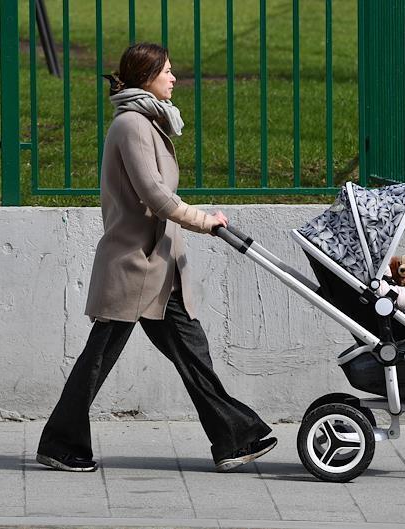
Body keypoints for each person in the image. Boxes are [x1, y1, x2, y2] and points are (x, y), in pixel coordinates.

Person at [37, 42, 276, 473]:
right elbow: (155, 197)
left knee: (192, 353)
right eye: (166, 70)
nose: (173, 78)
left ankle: (235, 437)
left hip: (160, 269)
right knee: (99, 359)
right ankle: (59, 443)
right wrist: (206, 222)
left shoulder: (148, 121)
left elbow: (161, 195)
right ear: (146, 77)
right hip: (134, 266)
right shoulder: (131, 124)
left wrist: (200, 220)